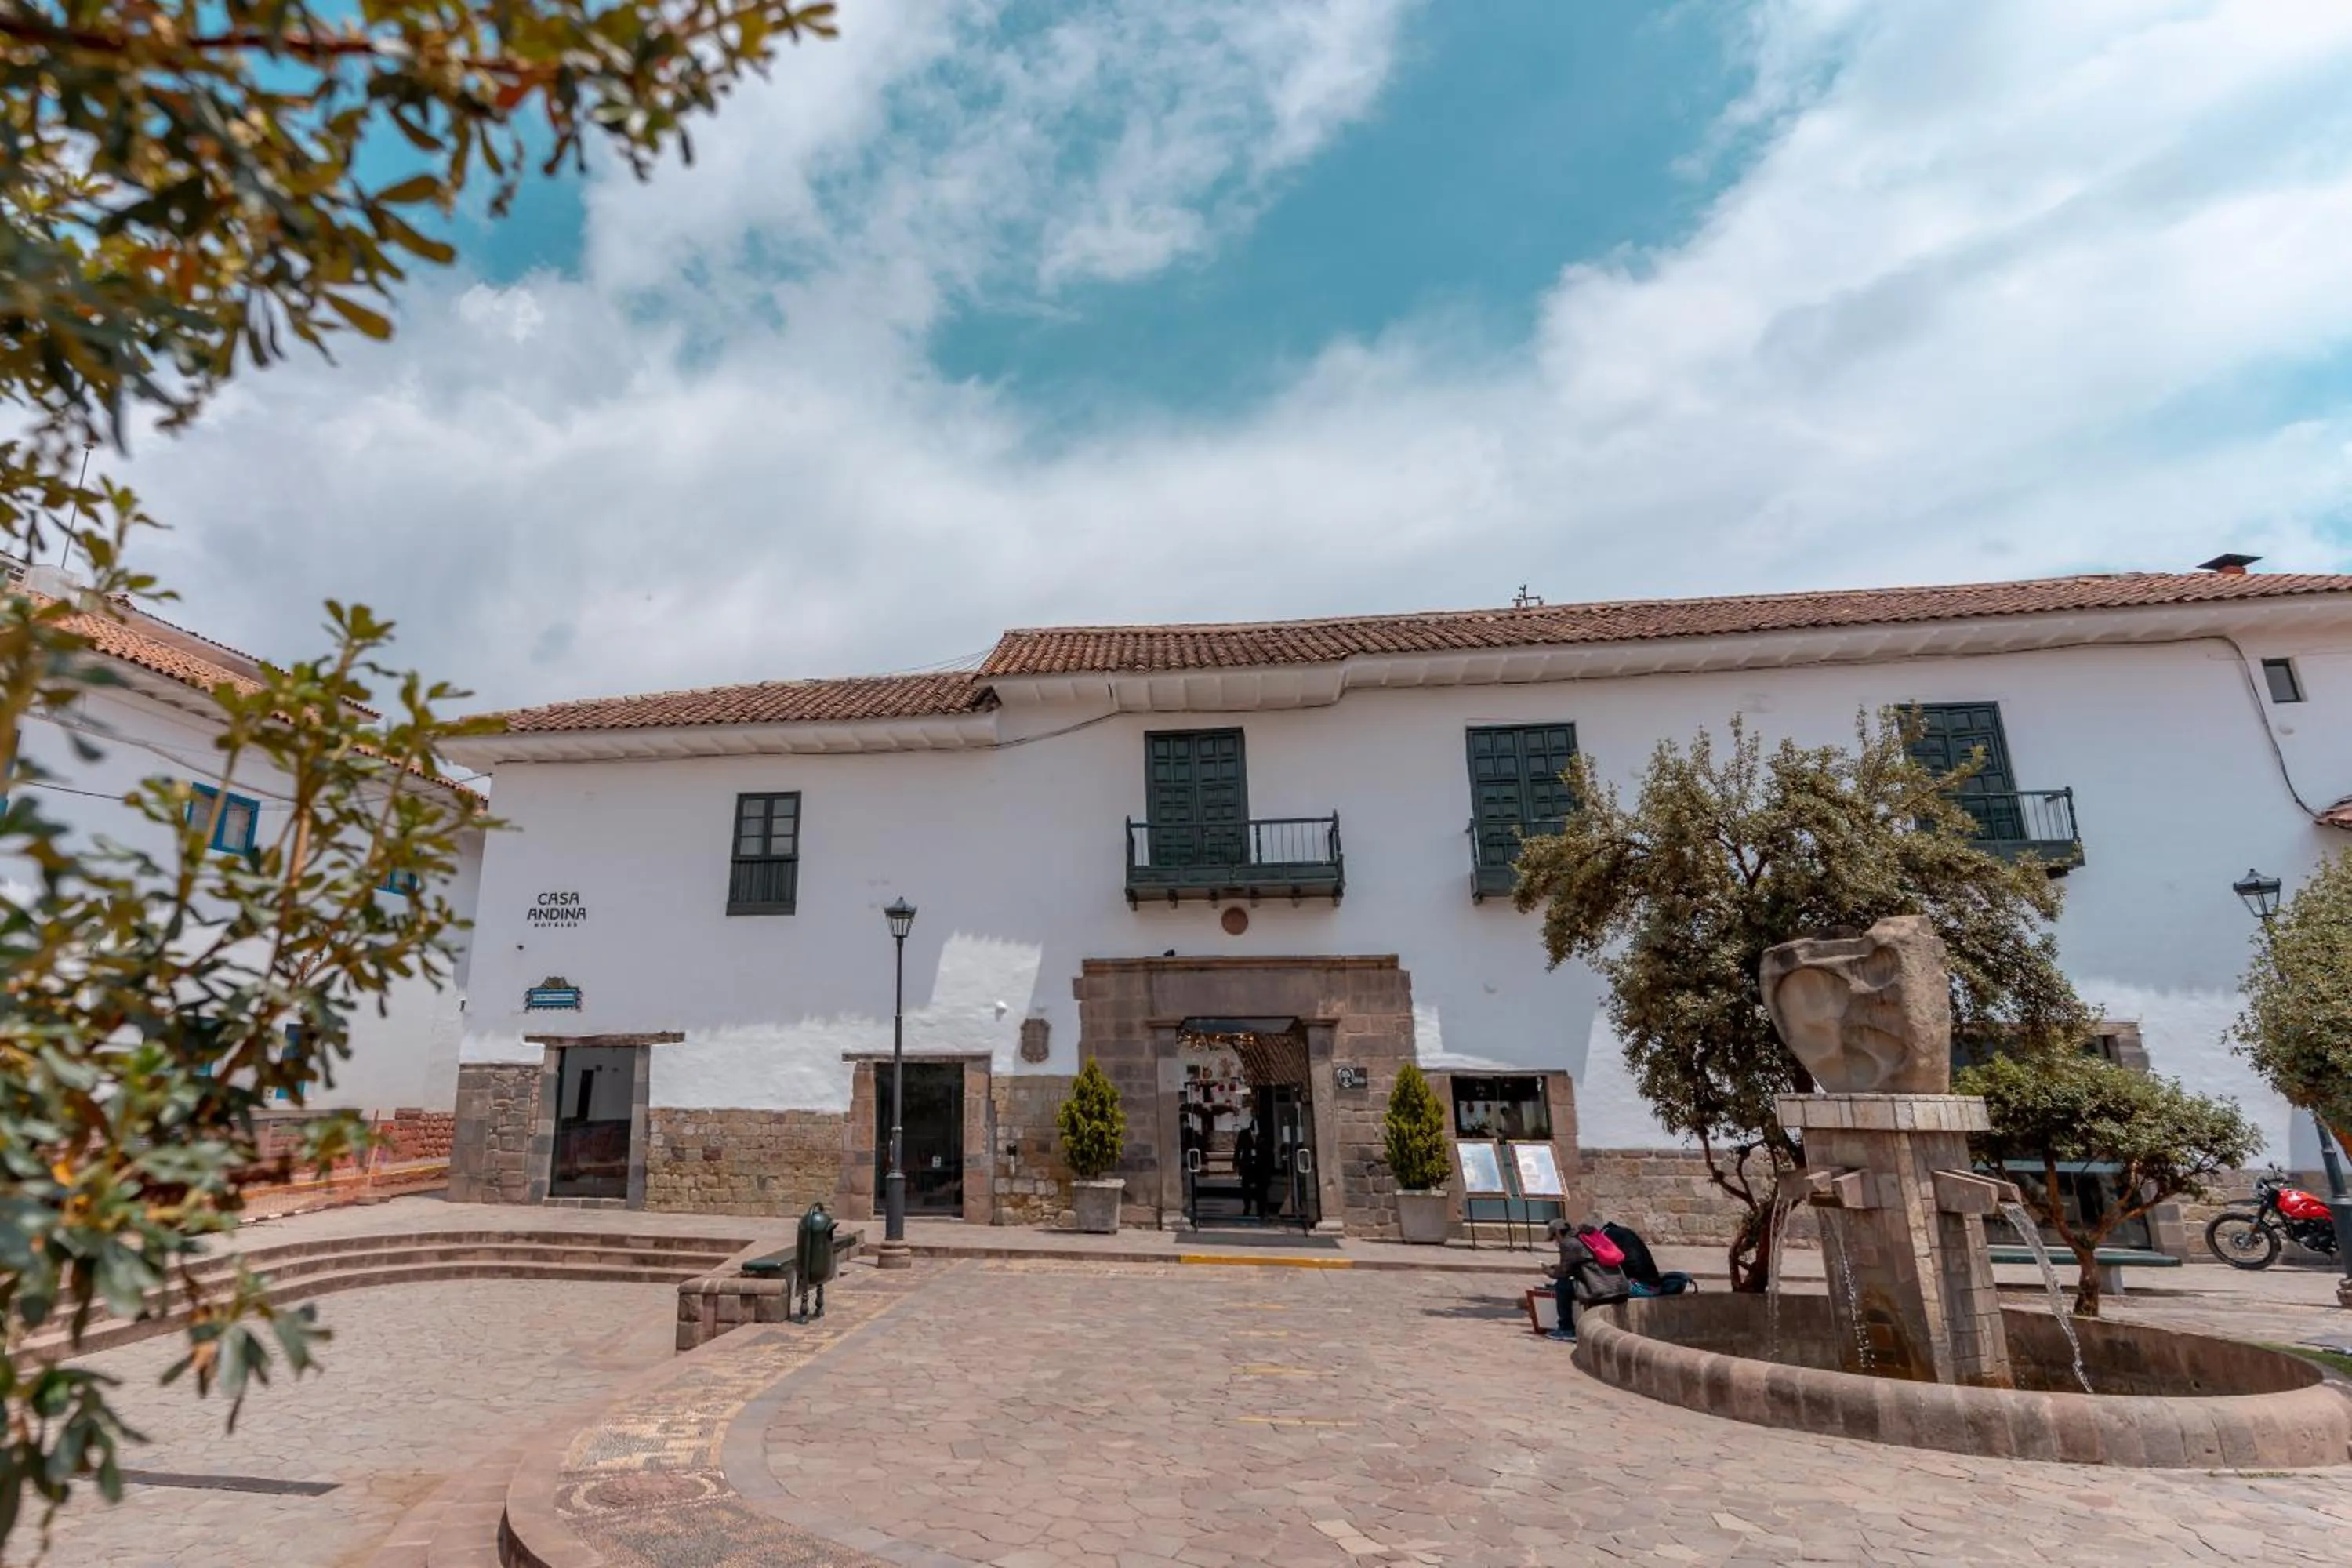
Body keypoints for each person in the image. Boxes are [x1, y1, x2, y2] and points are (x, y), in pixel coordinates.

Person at [1544, 1217, 1632, 1341]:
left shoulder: (1568, 1243)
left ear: (1557, 1233)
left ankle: (1566, 1328)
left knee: (1562, 1285)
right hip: (1619, 1285)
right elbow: (1580, 1263)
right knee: (1567, 1283)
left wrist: (1550, 1271)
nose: (1555, 1241)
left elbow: (1564, 1272)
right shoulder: (1584, 1237)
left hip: (1602, 1288)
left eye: (1553, 1238)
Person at [1233, 1124, 1260, 1217]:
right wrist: (1236, 1163)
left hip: (1259, 1164)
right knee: (1246, 1186)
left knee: (1260, 1186)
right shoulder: (1244, 1134)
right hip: (1247, 1164)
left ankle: (1261, 1208)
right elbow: (1238, 1148)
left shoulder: (1263, 1134)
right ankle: (1247, 1206)